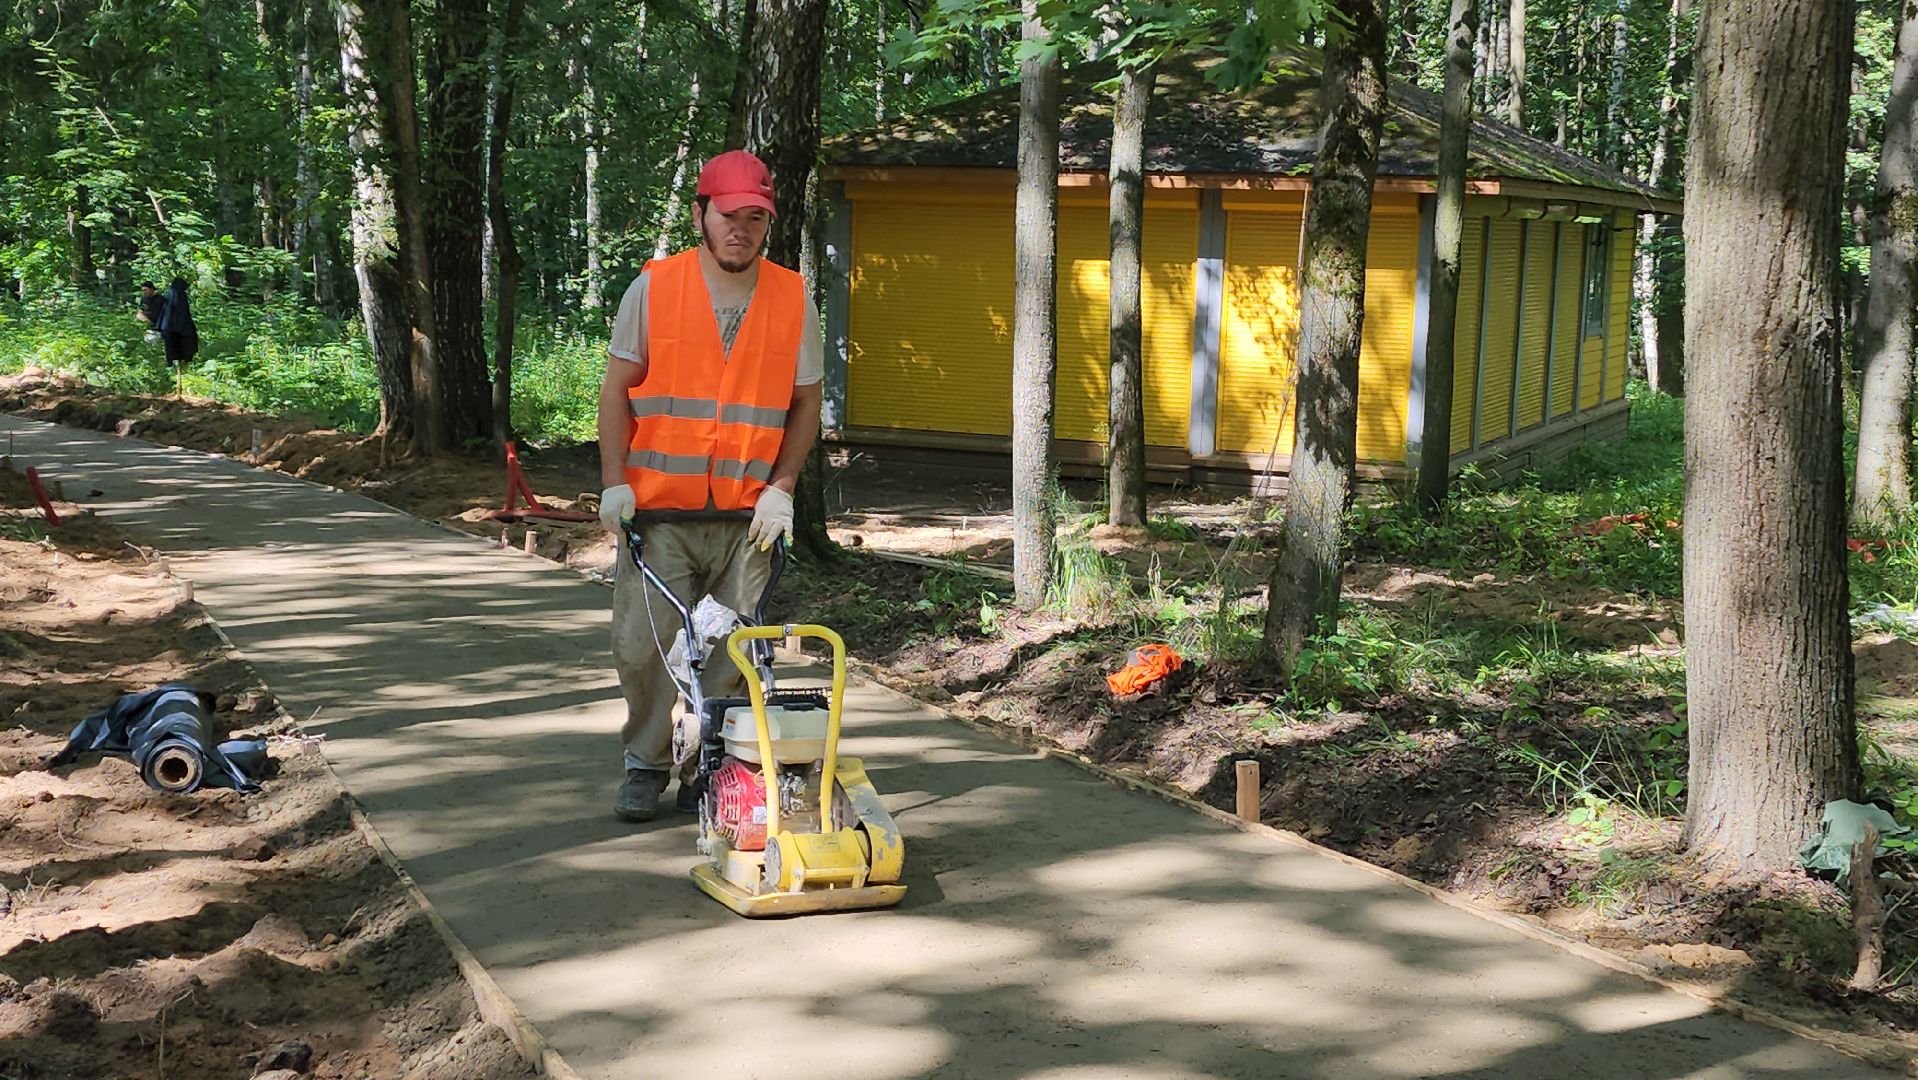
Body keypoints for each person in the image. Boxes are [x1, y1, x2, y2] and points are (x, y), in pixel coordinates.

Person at [597, 150, 824, 822]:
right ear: (701, 214)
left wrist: (782, 487)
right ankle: (646, 762)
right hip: (660, 512)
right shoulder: (654, 287)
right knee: (640, 648)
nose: (742, 229)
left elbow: (805, 402)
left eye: (756, 218)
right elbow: (616, 389)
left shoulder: (791, 295)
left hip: (746, 519)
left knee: (731, 654)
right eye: (729, 215)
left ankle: (712, 763)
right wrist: (614, 484)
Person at [158, 276, 199, 368]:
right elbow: (183, 314)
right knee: (185, 347)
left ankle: (173, 369)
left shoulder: (169, 294)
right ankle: (184, 368)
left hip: (167, 328)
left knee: (172, 351)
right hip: (180, 330)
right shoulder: (180, 294)